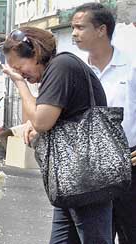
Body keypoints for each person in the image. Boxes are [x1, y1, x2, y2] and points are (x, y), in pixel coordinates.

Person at [2, 26, 112, 243]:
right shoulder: (55, 71)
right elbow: (34, 120)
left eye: (19, 66)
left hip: (86, 175)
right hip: (70, 178)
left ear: (35, 53)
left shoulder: (62, 66)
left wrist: (20, 84)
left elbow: (41, 122)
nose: (19, 72)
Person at [71, 3, 136, 243]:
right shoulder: (75, 68)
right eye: (73, 27)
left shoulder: (131, 66)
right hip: (89, 167)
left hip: (129, 163)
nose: (74, 33)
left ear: (101, 30)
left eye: (80, 27)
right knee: (96, 235)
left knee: (130, 230)